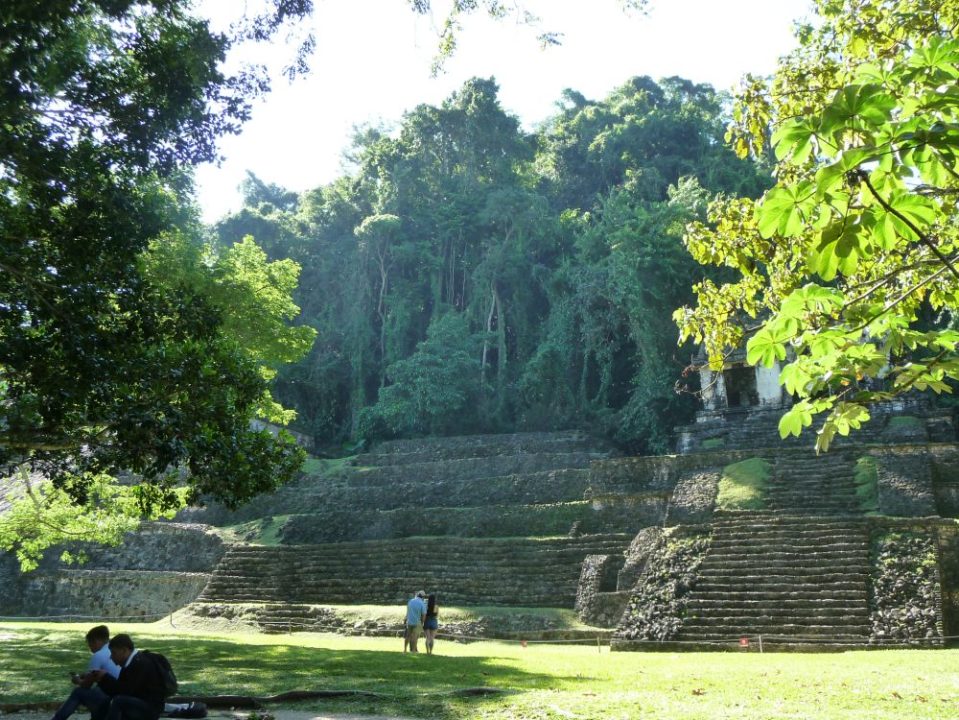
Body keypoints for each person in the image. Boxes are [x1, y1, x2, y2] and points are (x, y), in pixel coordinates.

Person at [50, 625, 121, 720]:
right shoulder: (115, 649)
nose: (90, 648)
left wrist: (77, 680)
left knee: (78, 692)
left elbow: (86, 685)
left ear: (96, 641)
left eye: (90, 645)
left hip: (110, 696)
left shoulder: (98, 655)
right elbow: (97, 675)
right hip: (120, 692)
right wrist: (87, 675)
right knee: (96, 690)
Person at [89, 634, 166, 720]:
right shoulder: (130, 663)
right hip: (139, 703)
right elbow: (118, 689)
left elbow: (125, 691)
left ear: (124, 650)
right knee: (104, 698)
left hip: (150, 709)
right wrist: (101, 679)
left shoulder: (139, 663)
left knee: (119, 701)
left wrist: (105, 677)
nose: (111, 657)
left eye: (114, 653)